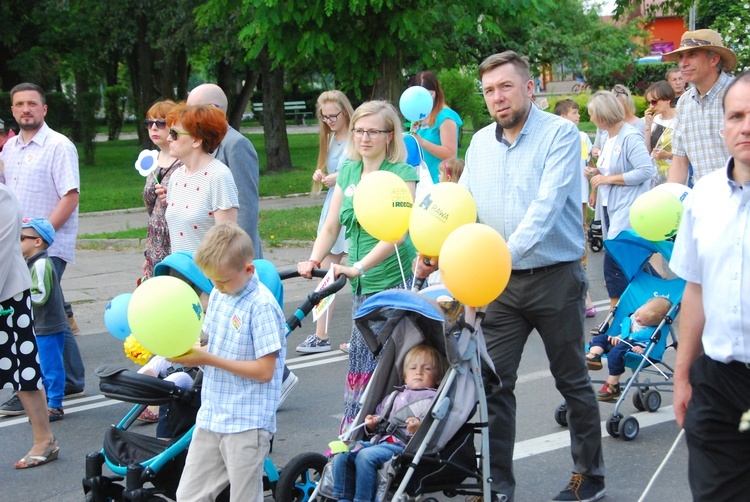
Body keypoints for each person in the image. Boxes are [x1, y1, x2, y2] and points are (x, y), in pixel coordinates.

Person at [418, 51, 605, 501]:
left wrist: (493, 258)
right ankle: (497, 484)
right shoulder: (480, 143)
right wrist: (439, 250)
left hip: (554, 277)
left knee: (572, 380)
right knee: (495, 386)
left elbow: (543, 211)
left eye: (505, 87)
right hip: (497, 285)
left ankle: (589, 477)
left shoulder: (561, 135)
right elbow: (463, 206)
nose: (497, 98)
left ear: (528, 88)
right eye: (489, 91)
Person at [297, 101, 419, 434]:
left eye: (373, 131)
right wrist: (314, 258)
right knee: (361, 363)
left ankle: (386, 434)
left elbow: (398, 232)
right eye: (359, 131)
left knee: (388, 366)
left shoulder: (402, 175)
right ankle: (355, 435)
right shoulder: (349, 171)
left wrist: (359, 267)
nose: (364, 138)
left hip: (394, 280)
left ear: (389, 135)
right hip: (362, 284)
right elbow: (331, 225)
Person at [670, 71, 750, 501]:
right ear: (723, 128)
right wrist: (683, 376)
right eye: (736, 115)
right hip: (721, 384)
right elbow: (695, 289)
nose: (746, 126)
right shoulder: (703, 196)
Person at [170, 222, 287, 502]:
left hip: (246, 422)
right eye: (212, 281)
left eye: (223, 280)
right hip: (213, 415)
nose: (217, 288)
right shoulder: (222, 296)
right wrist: (188, 352)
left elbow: (265, 370)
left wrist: (207, 358)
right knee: (189, 495)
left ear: (248, 270)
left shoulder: (261, 306)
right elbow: (214, 344)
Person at [0, 82, 86, 410]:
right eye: (19, 104)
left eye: (32, 104)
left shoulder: (58, 145)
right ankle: (71, 378)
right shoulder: (9, 149)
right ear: (12, 110)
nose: (26, 109)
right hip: (16, 245)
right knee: (49, 312)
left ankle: (33, 385)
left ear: (44, 109)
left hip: (46, 246)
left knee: (32, 313)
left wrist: (43, 237)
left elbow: (70, 196)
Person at [331, 344, 448, 502]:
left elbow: (431, 424)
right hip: (378, 441)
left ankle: (362, 499)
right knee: (343, 454)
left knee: (365, 457)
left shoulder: (431, 399)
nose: (418, 372)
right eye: (413, 368)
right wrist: (371, 423)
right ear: (405, 376)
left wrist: (417, 426)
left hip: (401, 446)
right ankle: (342, 498)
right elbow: (380, 416)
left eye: (426, 369)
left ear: (438, 378)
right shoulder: (394, 395)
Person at [0, 184, 59, 469]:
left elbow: (2, 252)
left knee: (23, 368)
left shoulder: (3, 197)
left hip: (7, 294)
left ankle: (44, 439)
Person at [297, 90, 354, 355]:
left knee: (358, 272)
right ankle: (321, 335)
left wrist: (338, 178)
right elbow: (334, 171)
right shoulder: (330, 138)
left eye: (334, 115)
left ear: (345, 111)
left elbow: (359, 170)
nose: (329, 120)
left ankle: (358, 334)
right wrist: (322, 175)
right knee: (327, 273)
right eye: (325, 116)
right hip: (333, 206)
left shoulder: (358, 136)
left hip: (352, 205)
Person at [588, 91, 655, 313]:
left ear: (602, 115)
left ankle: (615, 311)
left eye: (592, 115)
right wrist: (598, 171)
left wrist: (608, 178)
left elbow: (646, 170)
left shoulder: (629, 137)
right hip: (611, 207)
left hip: (627, 208)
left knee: (615, 261)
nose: (590, 119)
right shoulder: (609, 138)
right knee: (631, 263)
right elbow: (614, 168)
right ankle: (658, 299)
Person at [186, 83, 263, 259]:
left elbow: (246, 205)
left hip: (231, 256)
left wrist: (238, 255)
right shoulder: (201, 143)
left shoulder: (236, 144)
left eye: (192, 109)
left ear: (214, 109)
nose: (187, 116)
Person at [160, 103, 239, 252]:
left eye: (174, 134)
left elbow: (226, 241)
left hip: (206, 273)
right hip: (178, 270)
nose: (169, 138)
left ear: (196, 140)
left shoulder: (218, 176)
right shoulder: (176, 176)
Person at [663, 29, 737, 184]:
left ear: (714, 59)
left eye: (692, 54)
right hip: (703, 201)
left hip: (743, 200)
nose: (683, 63)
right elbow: (679, 161)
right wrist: (671, 197)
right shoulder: (684, 102)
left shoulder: (740, 94)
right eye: (681, 57)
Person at [19, 218, 68, 422]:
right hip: (39, 326)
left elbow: (40, 295)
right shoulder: (30, 263)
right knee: (41, 366)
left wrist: (21, 297)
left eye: (21, 238)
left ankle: (55, 404)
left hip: (48, 326)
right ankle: (47, 401)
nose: (17, 242)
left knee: (51, 366)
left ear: (37, 242)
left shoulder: (41, 264)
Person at [554, 99, 597, 318]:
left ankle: (584, 288)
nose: (578, 116)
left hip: (580, 197)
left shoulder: (582, 137)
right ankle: (581, 292)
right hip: (566, 198)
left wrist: (592, 189)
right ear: (562, 117)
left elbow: (589, 165)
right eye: (573, 112)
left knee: (581, 234)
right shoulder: (555, 138)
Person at [585, 297, 672, 401]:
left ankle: (613, 385)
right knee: (601, 338)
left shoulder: (651, 331)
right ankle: (594, 356)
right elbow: (626, 333)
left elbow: (650, 345)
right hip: (620, 342)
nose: (637, 318)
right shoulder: (633, 318)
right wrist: (617, 337)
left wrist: (642, 349)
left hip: (631, 349)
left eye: (641, 321)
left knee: (615, 353)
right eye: (638, 313)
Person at [141, 99, 183, 278]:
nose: (154, 128)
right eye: (149, 123)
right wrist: (147, 254)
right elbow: (151, 212)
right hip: (154, 243)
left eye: (161, 123)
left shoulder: (183, 161)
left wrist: (172, 199)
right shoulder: (152, 161)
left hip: (176, 241)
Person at [409, 71, 463, 184]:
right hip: (421, 181)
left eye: (430, 95)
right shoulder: (419, 114)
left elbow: (450, 154)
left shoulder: (445, 117)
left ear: (437, 92)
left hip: (439, 180)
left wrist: (422, 142)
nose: (426, 100)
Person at [643, 81, 677, 185]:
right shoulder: (654, 119)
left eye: (654, 102)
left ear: (667, 99)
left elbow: (689, 153)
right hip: (654, 175)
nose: (651, 106)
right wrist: (648, 126)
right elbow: (647, 150)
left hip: (674, 174)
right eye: (648, 103)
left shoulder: (681, 119)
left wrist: (669, 155)